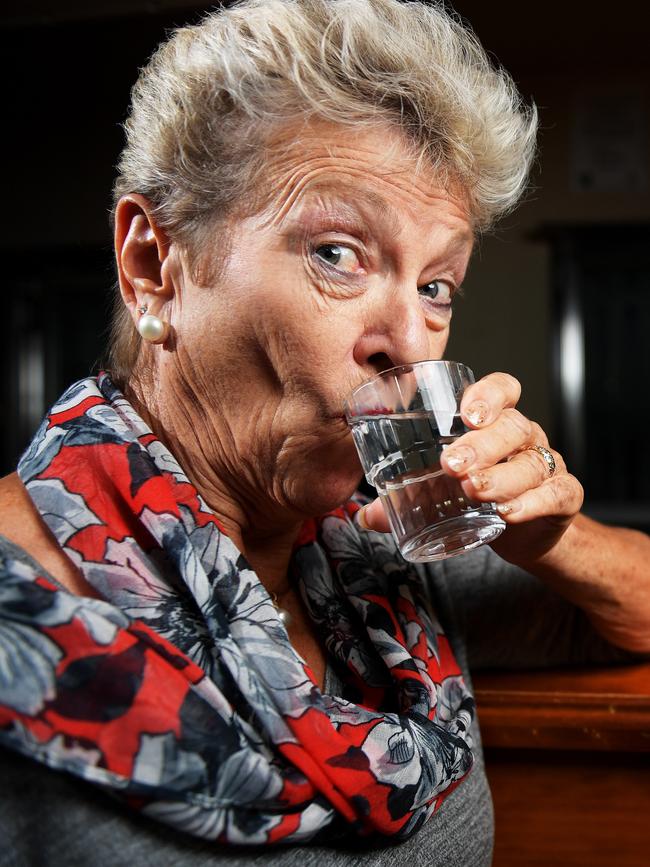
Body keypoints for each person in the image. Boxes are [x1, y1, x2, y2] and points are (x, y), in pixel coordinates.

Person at [1, 1, 649, 864]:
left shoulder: (382, 552)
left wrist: (551, 539)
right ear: (152, 265)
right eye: (338, 253)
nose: (412, 343)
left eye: (437, 285)